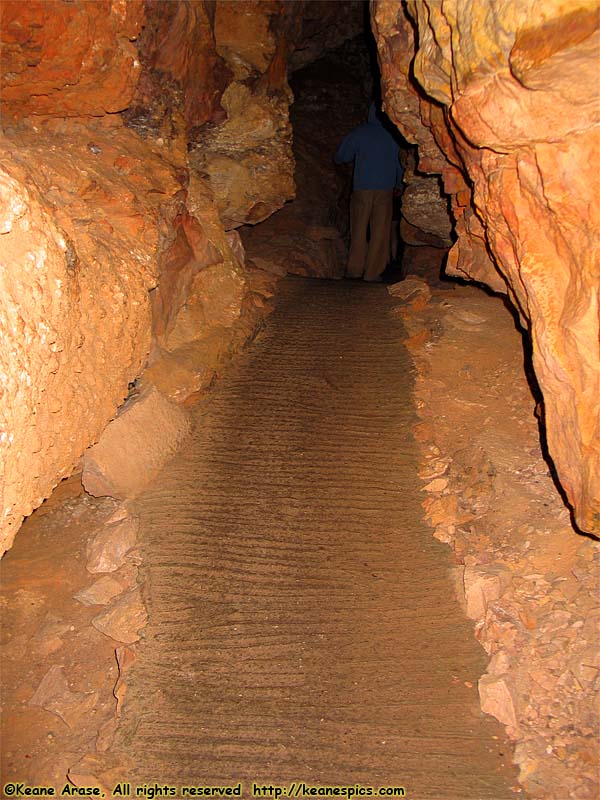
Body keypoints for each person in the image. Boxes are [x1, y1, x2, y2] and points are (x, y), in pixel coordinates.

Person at [334, 102, 404, 282]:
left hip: (362, 187)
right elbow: (399, 164)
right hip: (385, 189)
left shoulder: (360, 133)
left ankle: (355, 269)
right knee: (380, 231)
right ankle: (373, 272)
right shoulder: (392, 136)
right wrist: (398, 183)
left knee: (358, 229)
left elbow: (342, 156)